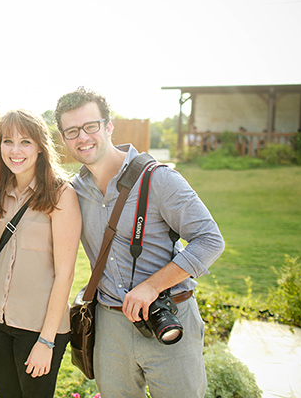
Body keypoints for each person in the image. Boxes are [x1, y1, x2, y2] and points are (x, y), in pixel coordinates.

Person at [54, 87, 225, 398]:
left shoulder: (159, 180)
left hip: (168, 316)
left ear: (108, 126)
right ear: (64, 138)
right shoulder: (72, 192)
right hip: (110, 327)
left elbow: (210, 240)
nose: (83, 137)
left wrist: (152, 286)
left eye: (91, 126)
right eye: (72, 131)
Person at [0, 109, 82, 398]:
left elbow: (65, 273)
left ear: (40, 146)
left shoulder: (61, 195)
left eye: (25, 142)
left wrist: (47, 342)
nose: (15, 150)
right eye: (7, 141)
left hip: (39, 327)